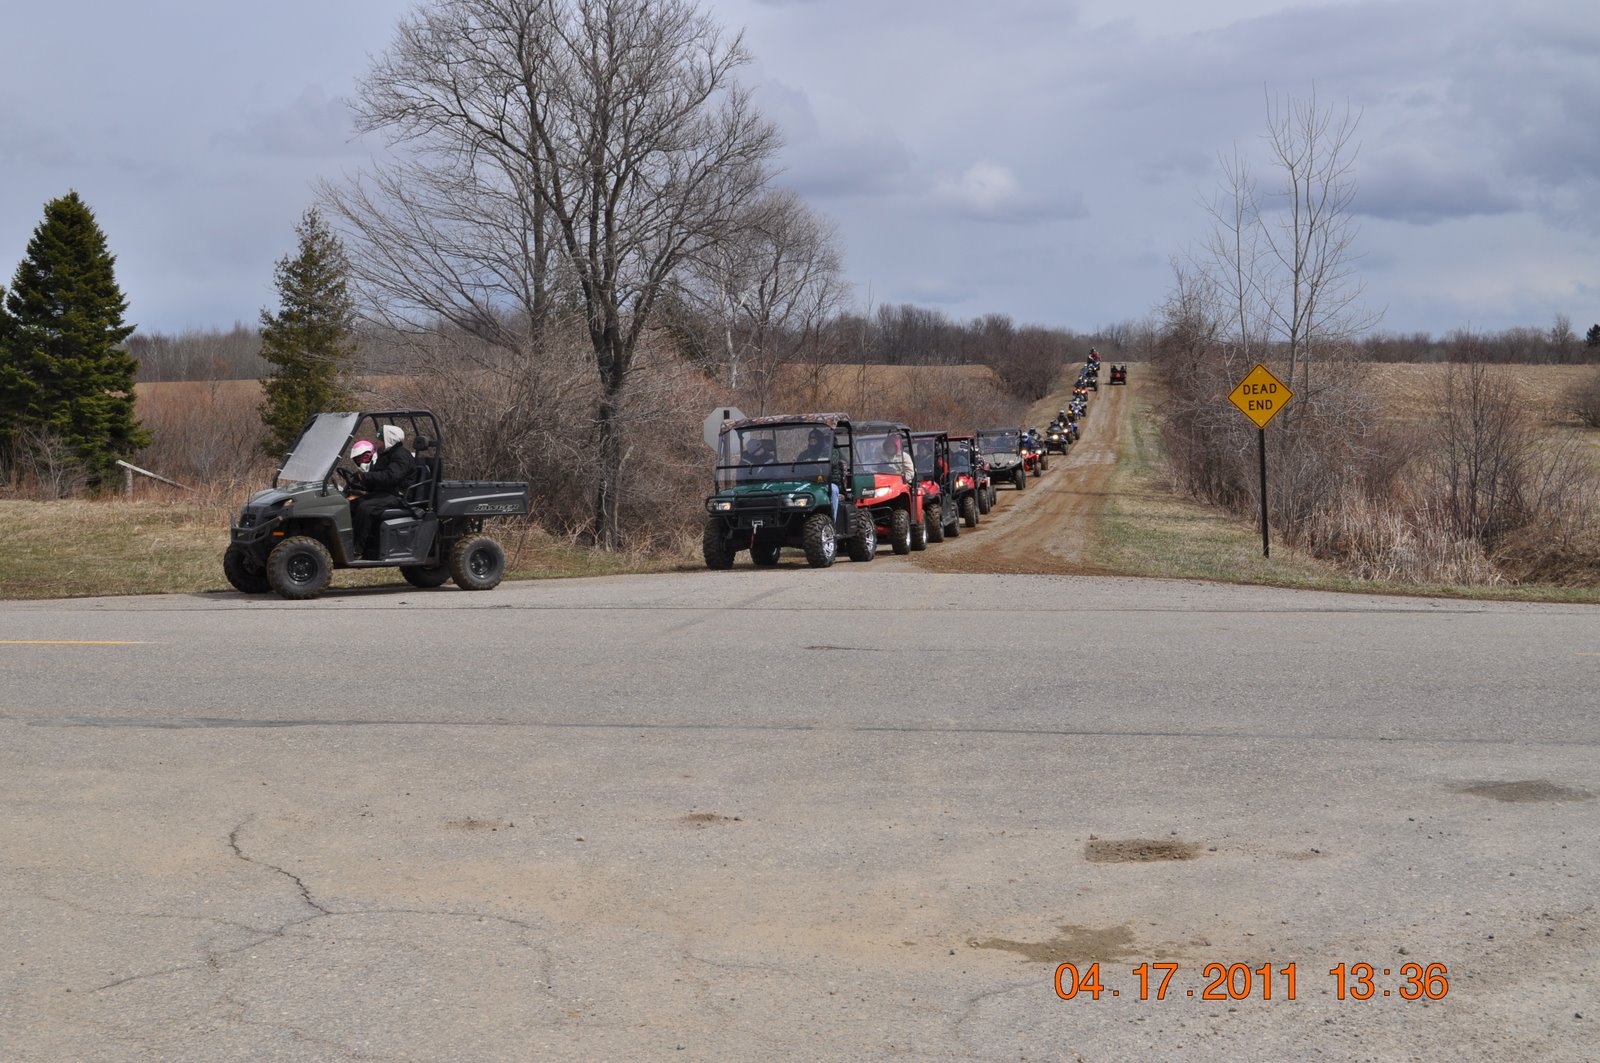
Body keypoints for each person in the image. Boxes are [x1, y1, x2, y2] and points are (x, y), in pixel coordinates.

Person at [350, 424, 415, 558]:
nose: (376, 442)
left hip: (398, 495)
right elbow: (378, 476)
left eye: (380, 439)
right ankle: (349, 542)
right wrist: (361, 483)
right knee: (353, 504)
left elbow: (391, 477)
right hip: (386, 492)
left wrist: (366, 476)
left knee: (365, 508)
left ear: (390, 439)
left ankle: (357, 549)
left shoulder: (401, 455)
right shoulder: (386, 455)